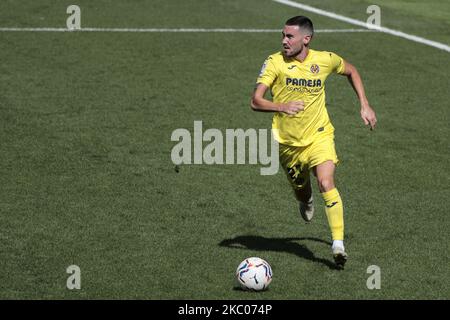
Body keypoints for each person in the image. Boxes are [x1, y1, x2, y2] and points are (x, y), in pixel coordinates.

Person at [251, 16, 377, 268]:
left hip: (320, 135)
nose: (284, 41)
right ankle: (304, 199)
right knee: (303, 190)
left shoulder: (325, 59)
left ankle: (338, 245)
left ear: (306, 39)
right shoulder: (274, 62)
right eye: (283, 36)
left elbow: (351, 70)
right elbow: (255, 101)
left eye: (290, 36)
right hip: (289, 143)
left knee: (326, 181)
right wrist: (281, 106)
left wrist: (364, 104)